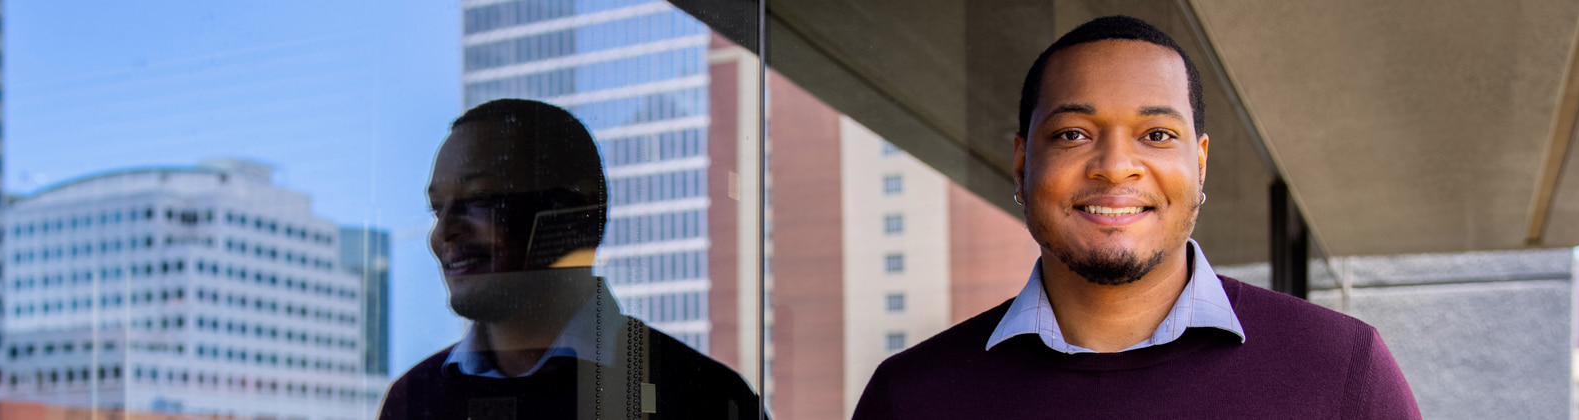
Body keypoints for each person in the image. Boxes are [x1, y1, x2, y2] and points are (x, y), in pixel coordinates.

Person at [852, 16, 1420, 419]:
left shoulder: (1343, 371)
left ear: (1198, 163)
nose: (1116, 167)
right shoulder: (911, 398)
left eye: (1156, 135)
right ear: (1023, 162)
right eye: (1073, 133)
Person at [379, 99, 762, 420]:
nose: (442, 232)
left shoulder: (703, 398)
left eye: (480, 197)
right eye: (436, 209)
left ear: (575, 214)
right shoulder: (412, 401)